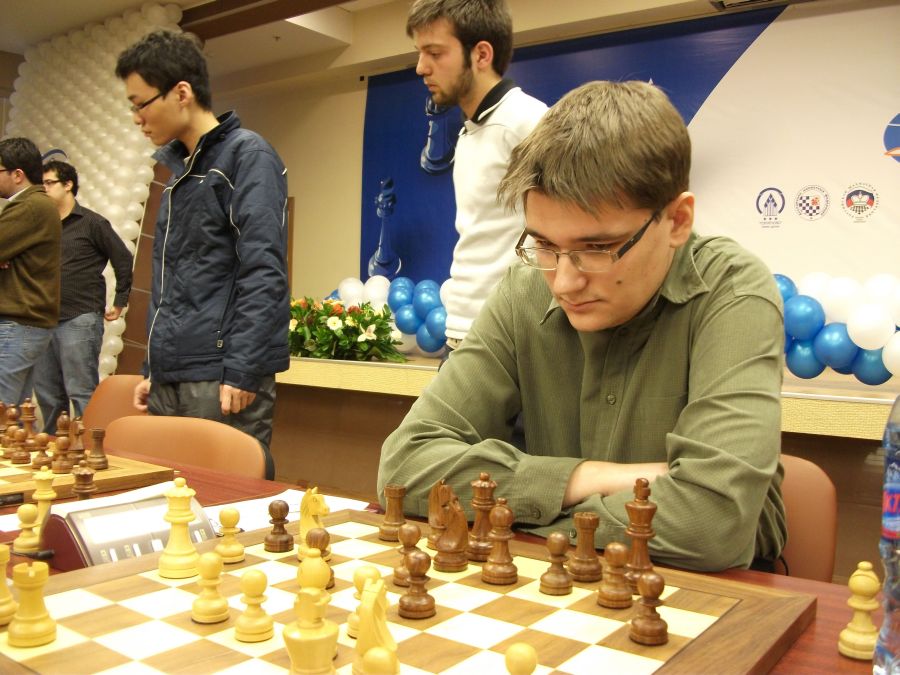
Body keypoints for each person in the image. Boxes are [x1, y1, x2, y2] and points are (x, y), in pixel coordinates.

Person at [378, 81, 787, 573]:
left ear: (677, 221)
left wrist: (510, 510)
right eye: (544, 244)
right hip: (557, 582)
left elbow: (710, 524)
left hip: (709, 593)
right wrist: (591, 478)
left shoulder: (734, 292)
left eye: (597, 248)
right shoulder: (524, 289)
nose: (564, 282)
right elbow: (404, 467)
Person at [115, 30, 290, 479]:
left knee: (224, 507)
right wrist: (155, 369)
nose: (136, 118)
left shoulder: (247, 156)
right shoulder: (177, 174)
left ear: (181, 93)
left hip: (221, 375)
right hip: (174, 374)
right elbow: (175, 284)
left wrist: (244, 369)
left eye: (140, 103)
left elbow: (263, 272)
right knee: (166, 505)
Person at [407, 0, 547, 348]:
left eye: (434, 53)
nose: (421, 67)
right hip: (462, 330)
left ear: (481, 55)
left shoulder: (527, 121)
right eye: (420, 53)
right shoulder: (470, 131)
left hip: (507, 337)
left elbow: (566, 236)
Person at [32, 160, 134, 433]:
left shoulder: (92, 222)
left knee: (81, 390)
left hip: (79, 315)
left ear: (68, 185)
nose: (44, 188)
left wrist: (120, 300)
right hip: (41, 318)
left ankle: (90, 449)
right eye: (41, 184)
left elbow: (123, 259)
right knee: (47, 394)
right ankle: (55, 448)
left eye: (49, 183)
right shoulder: (41, 225)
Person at [0, 137, 62, 407]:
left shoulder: (29, 206)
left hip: (18, 322)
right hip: (26, 323)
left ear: (17, 174)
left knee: (3, 412)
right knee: (15, 415)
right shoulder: (36, 204)